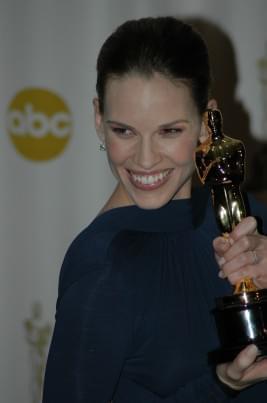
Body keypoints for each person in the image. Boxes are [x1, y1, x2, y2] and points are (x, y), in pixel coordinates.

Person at [42, 17, 267, 402]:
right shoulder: (101, 266)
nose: (145, 159)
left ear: (205, 122)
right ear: (99, 118)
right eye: (124, 130)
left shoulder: (247, 221)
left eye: (169, 131)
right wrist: (221, 386)